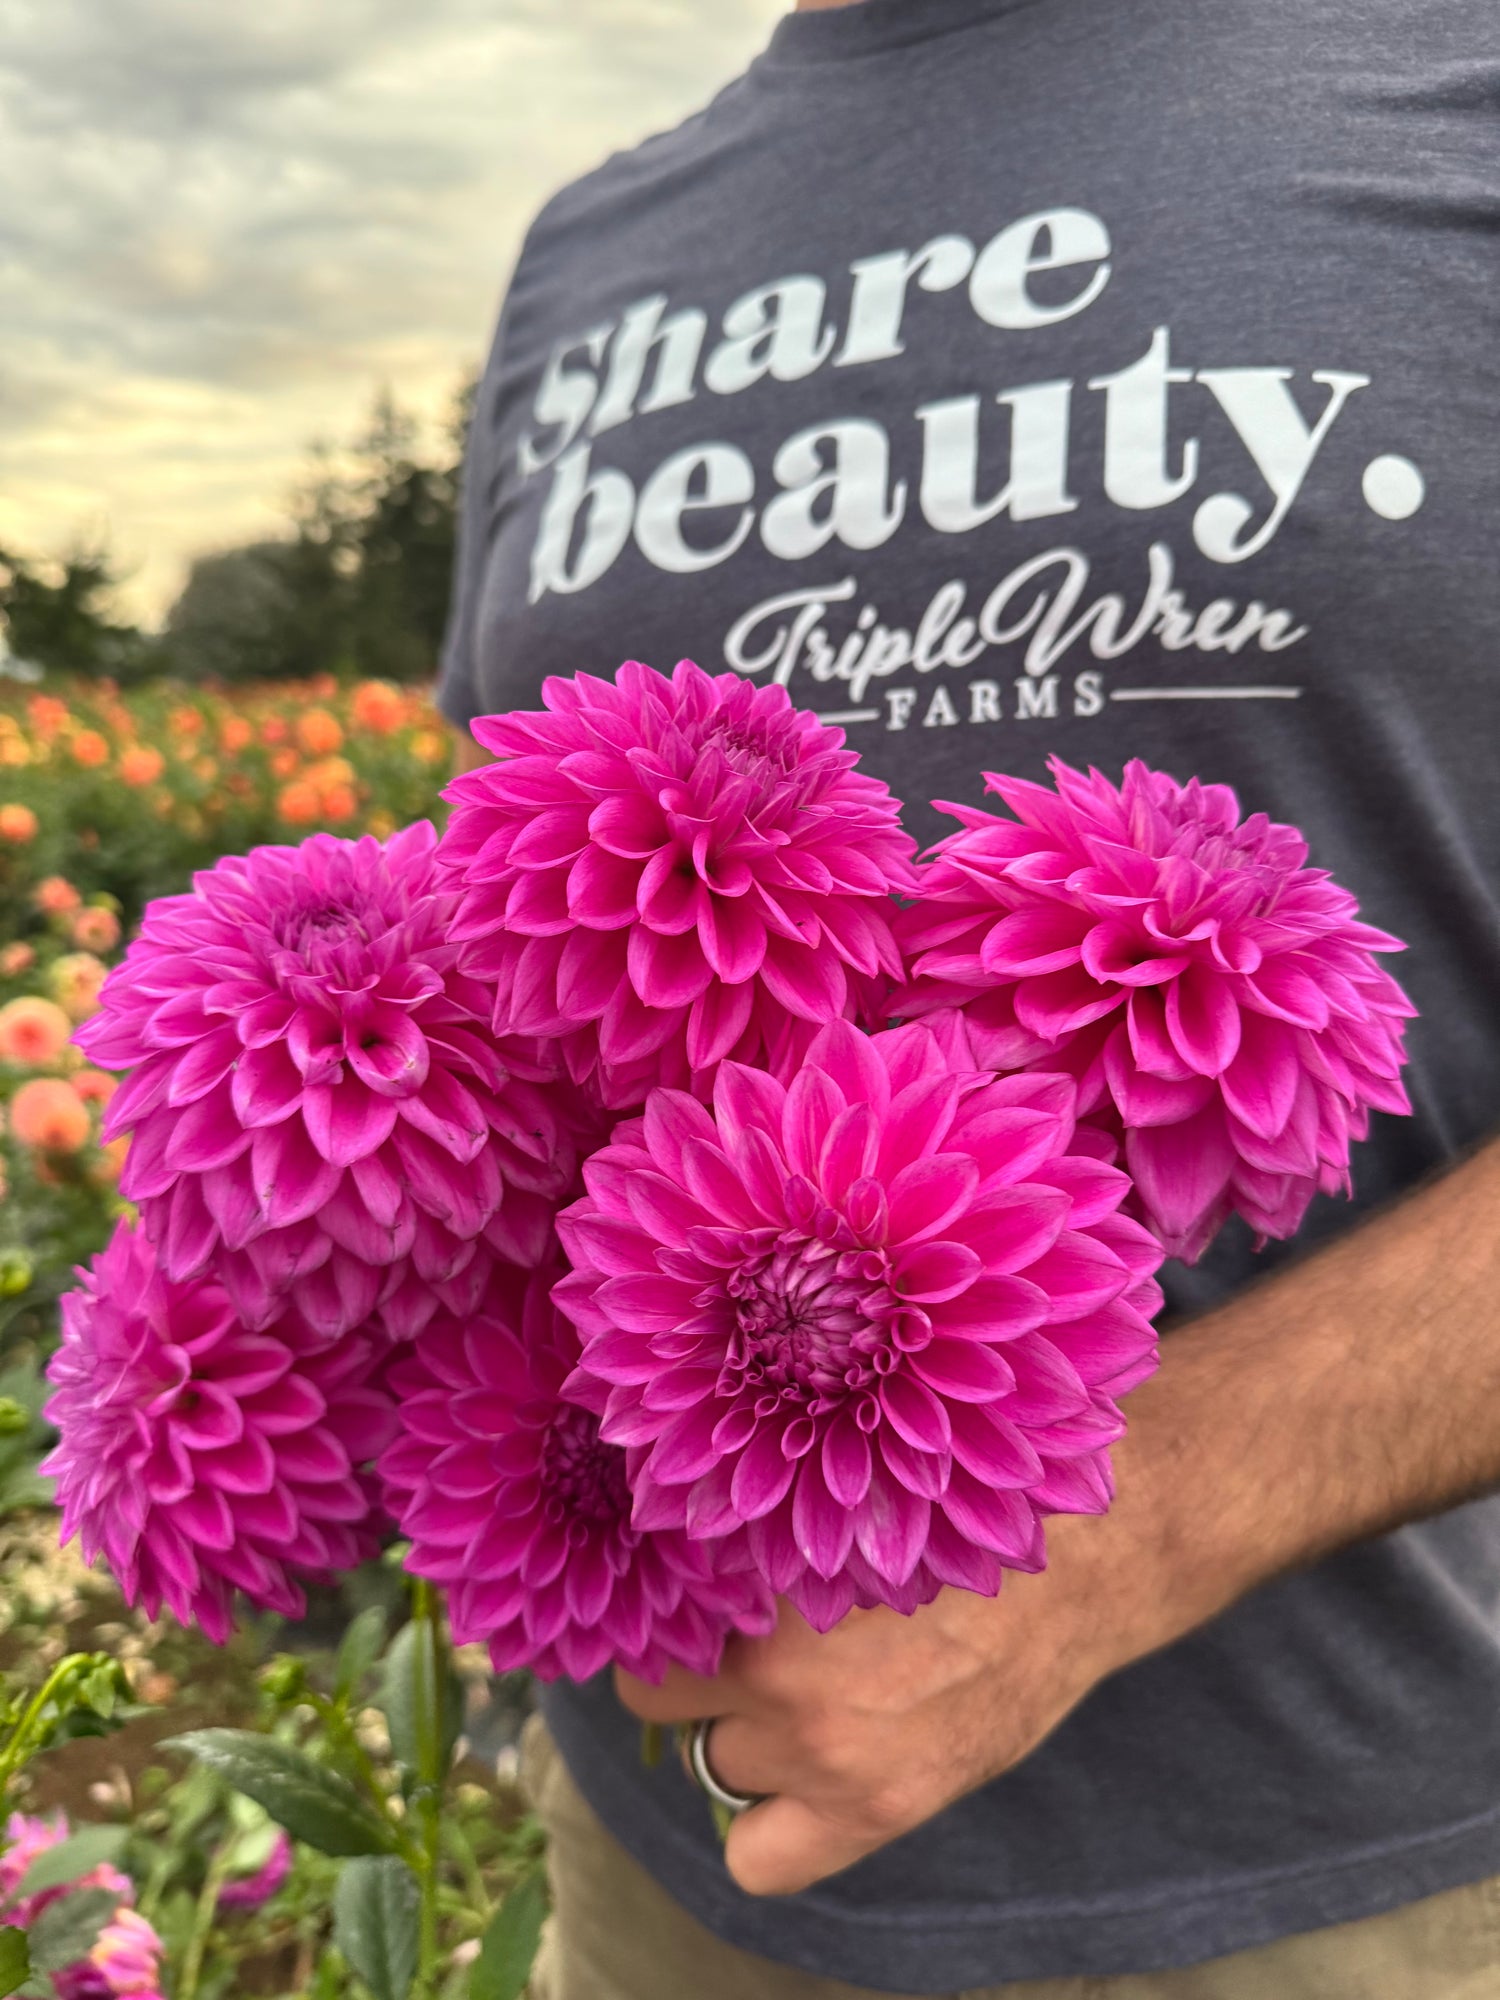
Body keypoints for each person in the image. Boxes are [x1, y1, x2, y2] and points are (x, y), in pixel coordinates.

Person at [436, 0, 1500, 1992]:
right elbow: (488, 924)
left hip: (1321, 1882)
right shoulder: (590, 242)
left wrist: (1121, 1525)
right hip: (664, 1840)